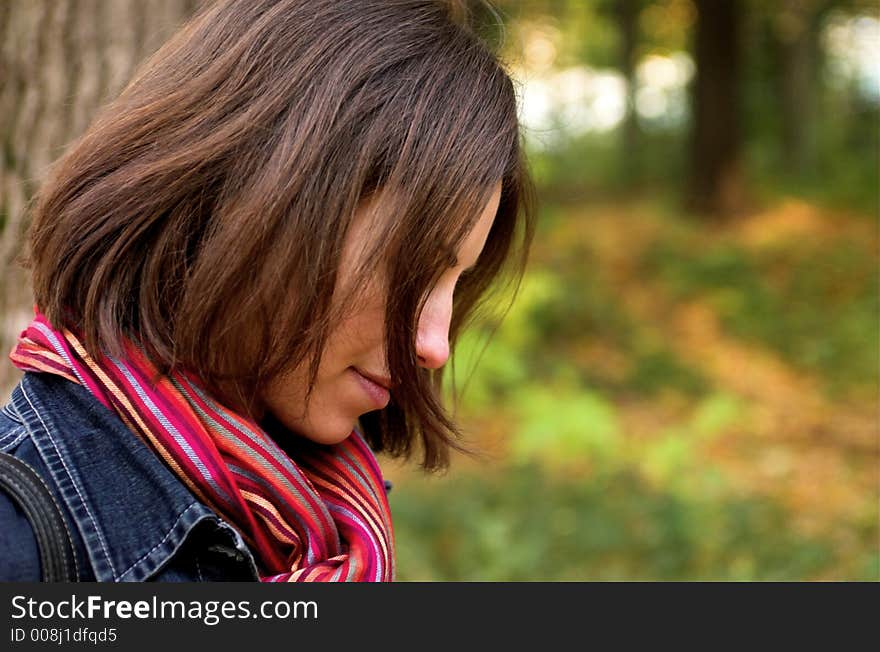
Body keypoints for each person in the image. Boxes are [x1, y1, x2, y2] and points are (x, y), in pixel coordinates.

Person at [0, 0, 534, 582]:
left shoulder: (316, 527)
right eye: (410, 270)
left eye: (455, 283)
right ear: (254, 203)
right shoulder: (20, 545)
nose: (435, 346)